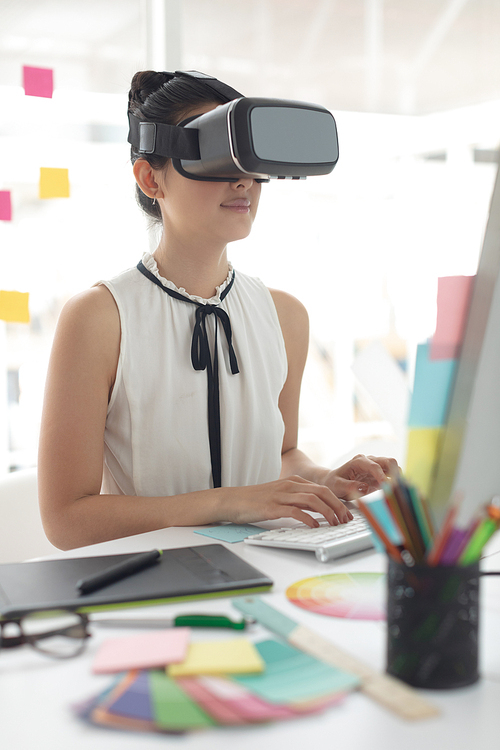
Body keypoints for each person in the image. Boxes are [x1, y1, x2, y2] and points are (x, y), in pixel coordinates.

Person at [38, 70, 398, 550]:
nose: (243, 179)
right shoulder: (100, 318)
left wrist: (324, 479)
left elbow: (284, 453)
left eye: (248, 159)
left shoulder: (286, 316)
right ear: (151, 178)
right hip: (149, 583)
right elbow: (66, 520)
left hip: (271, 570)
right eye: (212, 156)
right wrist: (230, 502)